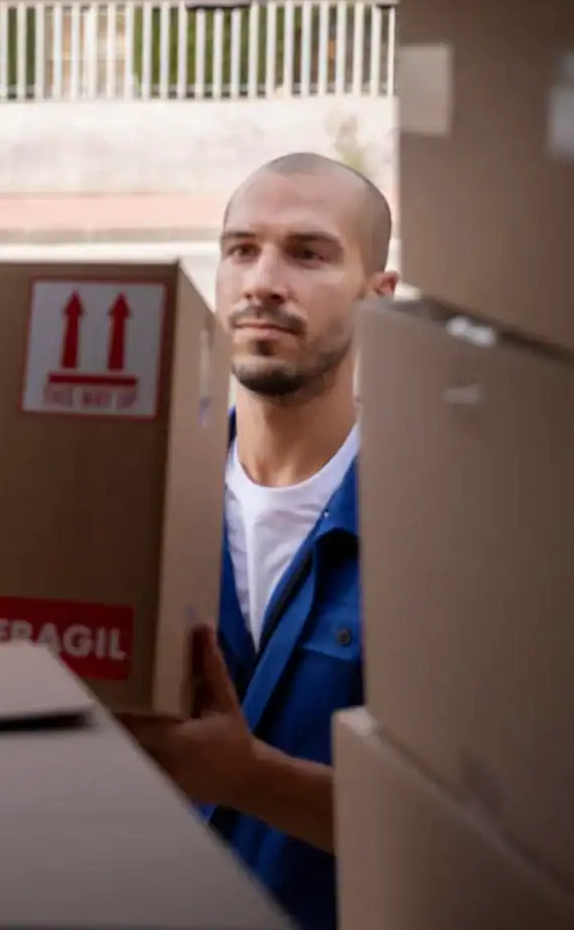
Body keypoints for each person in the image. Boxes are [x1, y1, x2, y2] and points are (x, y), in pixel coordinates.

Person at [123, 153, 397, 930]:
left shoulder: (430, 528)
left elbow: (463, 832)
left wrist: (248, 779)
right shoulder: (144, 502)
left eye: (307, 254)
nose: (263, 282)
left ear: (378, 298)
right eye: (241, 250)